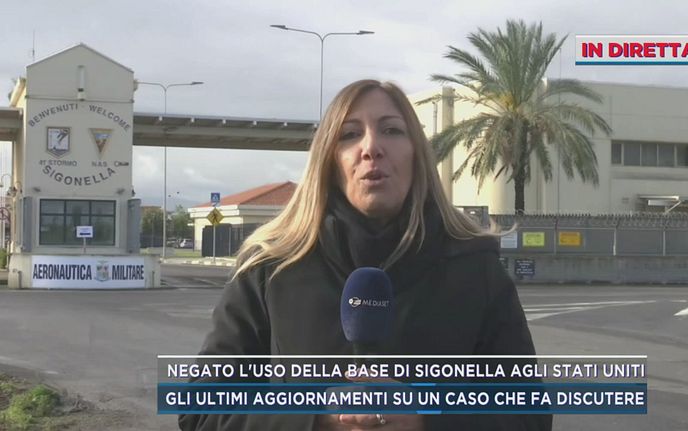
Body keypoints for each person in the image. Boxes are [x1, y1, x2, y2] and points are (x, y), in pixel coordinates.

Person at [179, 80, 552, 430]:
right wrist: (318, 418)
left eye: (391, 130)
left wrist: (426, 418)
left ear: (416, 154)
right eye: (349, 134)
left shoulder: (475, 267)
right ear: (329, 160)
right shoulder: (270, 266)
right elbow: (201, 409)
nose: (371, 147)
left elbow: (529, 413)